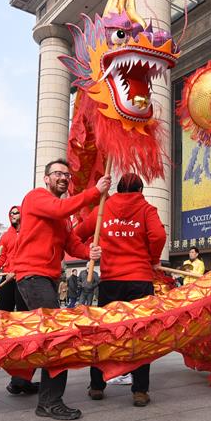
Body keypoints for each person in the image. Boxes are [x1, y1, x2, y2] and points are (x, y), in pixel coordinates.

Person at [15, 158, 109, 420]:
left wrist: (89, 252)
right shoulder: (36, 198)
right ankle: (50, 401)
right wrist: (94, 192)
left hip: (47, 278)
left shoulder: (63, 218)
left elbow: (72, 245)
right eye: (57, 173)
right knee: (58, 337)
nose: (63, 178)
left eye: (67, 175)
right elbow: (59, 209)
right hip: (32, 276)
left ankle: (22, 383)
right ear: (46, 178)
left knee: (41, 337)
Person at [74, 173, 166, 406]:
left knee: (105, 333)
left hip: (110, 282)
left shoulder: (103, 209)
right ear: (140, 191)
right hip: (140, 280)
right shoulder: (147, 209)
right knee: (141, 334)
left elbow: (76, 234)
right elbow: (158, 235)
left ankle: (97, 385)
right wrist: (153, 258)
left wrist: (89, 251)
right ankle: (140, 390)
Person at [0, 205, 40, 396]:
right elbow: (0, 257)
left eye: (17, 212)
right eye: (11, 213)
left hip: (22, 277)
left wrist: (18, 269)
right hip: (7, 278)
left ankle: (20, 373)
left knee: (23, 320)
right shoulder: (6, 235)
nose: (13, 215)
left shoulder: (29, 233)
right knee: (3, 315)